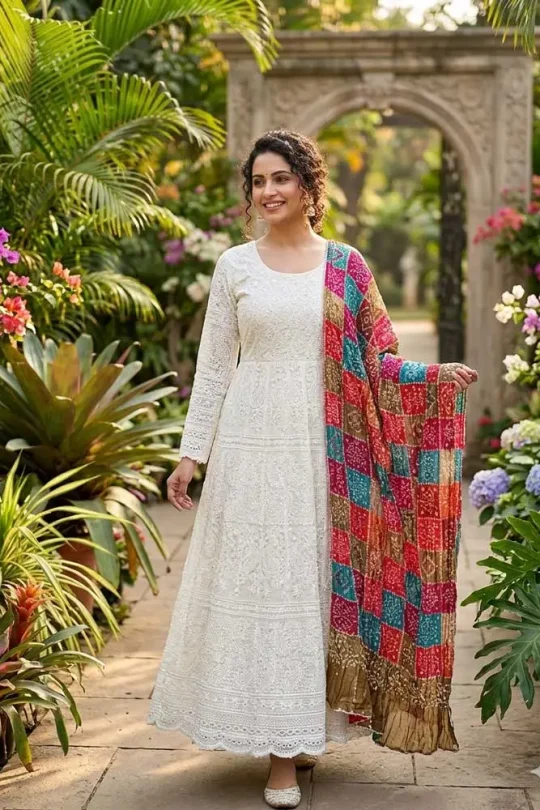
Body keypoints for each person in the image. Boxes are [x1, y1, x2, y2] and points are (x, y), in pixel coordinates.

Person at [148, 130, 478, 809]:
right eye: (258, 181)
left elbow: (379, 360)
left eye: (281, 178)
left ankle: (295, 738)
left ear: (307, 186)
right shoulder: (235, 267)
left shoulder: (346, 266)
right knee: (266, 587)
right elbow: (213, 368)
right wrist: (191, 455)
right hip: (251, 448)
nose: (268, 191)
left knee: (313, 590)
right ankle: (279, 747)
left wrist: (433, 377)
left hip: (329, 450)